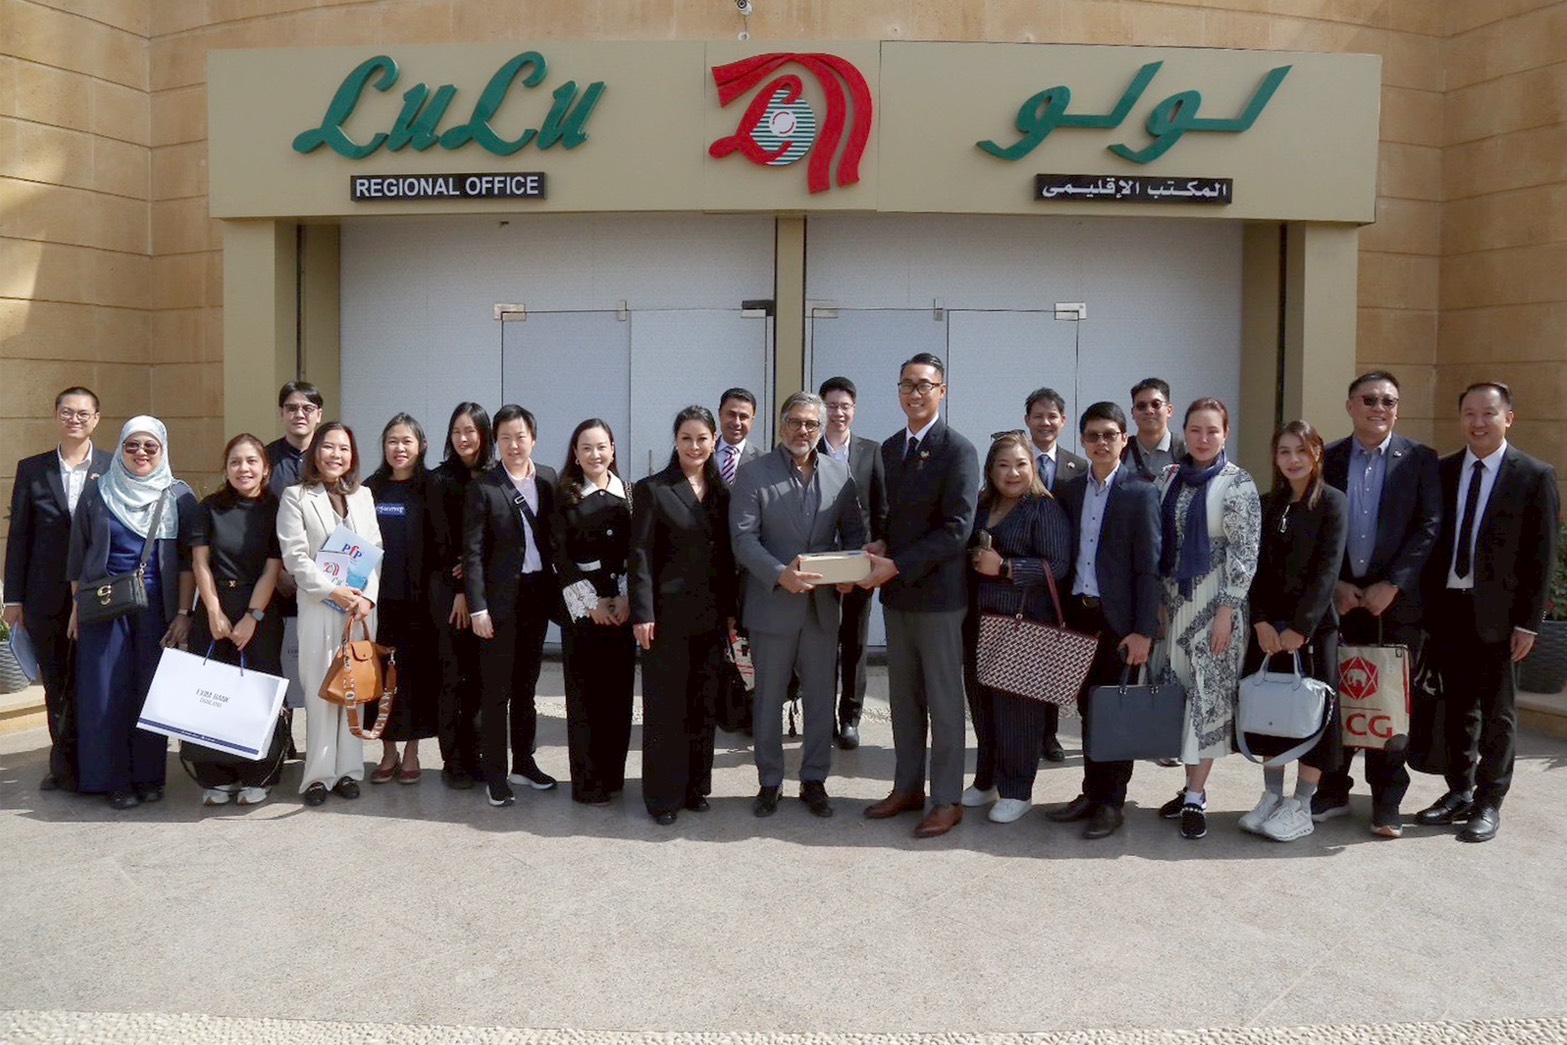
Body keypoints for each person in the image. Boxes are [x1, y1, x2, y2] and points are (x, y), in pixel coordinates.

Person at [1415, 382, 1558, 843]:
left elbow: (1542, 558)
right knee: (1456, 709)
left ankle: (1489, 801)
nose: (1478, 422)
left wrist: (1528, 624)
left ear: (1508, 418)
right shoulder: (1442, 471)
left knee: (1498, 714)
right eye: (1469, 413)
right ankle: (1459, 790)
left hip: (1501, 617)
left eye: (1488, 413)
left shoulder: (1533, 476)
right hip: (1449, 609)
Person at [1316, 372, 1441, 837]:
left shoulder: (1420, 459)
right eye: (1369, 399)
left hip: (1395, 605)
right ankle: (1332, 788)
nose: (1379, 408)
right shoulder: (1327, 458)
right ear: (1350, 406)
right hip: (1341, 601)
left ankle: (1387, 799)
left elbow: (1429, 526)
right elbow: (1316, 527)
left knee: (1390, 701)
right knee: (1337, 693)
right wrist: (1335, 584)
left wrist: (1395, 584)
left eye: (1389, 400)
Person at [861, 353, 980, 839]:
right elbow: (888, 517)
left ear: (941, 391)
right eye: (907, 384)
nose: (915, 393)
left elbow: (957, 529)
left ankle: (947, 799)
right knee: (904, 701)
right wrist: (879, 545)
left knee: (944, 704)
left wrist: (899, 563)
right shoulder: (891, 449)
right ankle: (907, 787)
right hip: (897, 597)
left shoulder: (958, 450)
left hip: (939, 599)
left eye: (924, 385)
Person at [731, 392, 866, 819]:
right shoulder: (754, 473)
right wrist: (778, 574)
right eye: (794, 421)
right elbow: (743, 539)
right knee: (768, 699)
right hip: (773, 605)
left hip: (823, 609)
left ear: (821, 428)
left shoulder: (839, 472)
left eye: (811, 424)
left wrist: (850, 572)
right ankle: (769, 781)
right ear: (781, 424)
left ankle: (814, 780)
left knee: (821, 699)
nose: (802, 430)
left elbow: (854, 533)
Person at [66, 416, 197, 808]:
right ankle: (114, 780)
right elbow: (77, 555)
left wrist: (183, 612)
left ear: (163, 450)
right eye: (132, 445)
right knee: (107, 692)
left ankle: (149, 776)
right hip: (105, 606)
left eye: (150, 446)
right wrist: (76, 607)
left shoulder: (179, 495)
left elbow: (189, 562)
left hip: (157, 610)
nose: (141, 453)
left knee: (150, 692)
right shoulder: (97, 491)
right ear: (121, 448)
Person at [1045, 403, 1162, 839]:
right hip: (1079, 615)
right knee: (1087, 707)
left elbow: (1149, 568)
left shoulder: (1141, 492)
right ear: (1082, 441)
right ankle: (1091, 793)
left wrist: (1143, 631)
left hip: (1120, 623)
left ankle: (1112, 802)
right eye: (1093, 436)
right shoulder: (1070, 490)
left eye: (1109, 435)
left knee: (1116, 712)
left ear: (1123, 439)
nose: (1101, 443)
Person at [1153, 397, 1261, 840]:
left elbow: (1245, 553)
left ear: (1225, 434)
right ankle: (1187, 786)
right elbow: (1157, 542)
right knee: (1180, 698)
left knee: (1207, 699)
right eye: (1195, 430)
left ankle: (1196, 796)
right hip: (1172, 607)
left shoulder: (1238, 483)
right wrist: (1156, 601)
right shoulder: (1168, 477)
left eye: (1212, 430)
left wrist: (1226, 612)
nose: (1203, 438)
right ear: (1184, 431)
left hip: (1216, 610)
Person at [1237, 421, 1349, 843]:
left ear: (1317, 452)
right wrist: (1261, 621)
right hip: (1269, 630)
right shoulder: (1268, 504)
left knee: (1309, 714)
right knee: (1270, 712)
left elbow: (1327, 571)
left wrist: (1301, 628)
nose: (1293, 459)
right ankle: (1271, 796)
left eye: (1301, 450)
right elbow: (1253, 568)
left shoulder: (1332, 502)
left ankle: (1301, 804)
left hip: (1313, 631)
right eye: (1284, 451)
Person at [630, 406, 737, 825]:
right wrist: (642, 612)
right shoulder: (653, 489)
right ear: (675, 441)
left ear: (714, 442)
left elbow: (727, 558)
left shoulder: (722, 492)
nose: (694, 446)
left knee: (702, 703)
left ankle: (695, 788)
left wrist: (732, 612)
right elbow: (640, 555)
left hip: (709, 616)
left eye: (702, 439)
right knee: (666, 707)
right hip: (665, 618)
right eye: (686, 438)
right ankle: (662, 797)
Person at [959, 432, 1072, 825]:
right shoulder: (981, 504)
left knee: (1019, 714)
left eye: (1021, 464)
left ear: (1033, 468)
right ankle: (987, 780)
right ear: (991, 470)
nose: (1012, 473)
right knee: (982, 706)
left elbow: (1057, 566)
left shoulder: (1043, 508)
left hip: (1022, 625)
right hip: (978, 622)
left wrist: (1006, 567)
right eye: (1003, 465)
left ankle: (1017, 791)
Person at [4, 386, 111, 791]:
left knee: (92, 680)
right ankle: (63, 765)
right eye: (67, 412)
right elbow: (19, 537)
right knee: (54, 681)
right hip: (44, 595)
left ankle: (95, 762)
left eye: (83, 413)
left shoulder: (112, 466)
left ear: (96, 419)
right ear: (56, 416)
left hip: (97, 593)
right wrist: (13, 599)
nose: (75, 420)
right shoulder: (32, 469)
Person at [275, 422, 383, 808]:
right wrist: (331, 590)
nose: (336, 455)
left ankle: (349, 771)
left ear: (352, 456)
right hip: (319, 606)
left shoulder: (363, 496)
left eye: (344, 448)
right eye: (329, 447)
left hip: (358, 611)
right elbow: (295, 557)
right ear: (315, 452)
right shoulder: (296, 496)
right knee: (322, 691)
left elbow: (374, 550)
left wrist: (367, 598)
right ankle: (318, 776)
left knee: (354, 690)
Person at [463, 404, 560, 808]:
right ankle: (495, 774)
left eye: (520, 436)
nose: (514, 445)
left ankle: (524, 763)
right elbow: (472, 552)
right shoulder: (484, 486)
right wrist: (478, 608)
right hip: (500, 602)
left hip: (537, 596)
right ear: (496, 442)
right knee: (496, 690)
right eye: (505, 438)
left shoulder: (549, 479)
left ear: (533, 438)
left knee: (526, 687)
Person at [186, 433, 286, 806]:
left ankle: (258, 774)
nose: (243, 468)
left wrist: (252, 617)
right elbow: (200, 562)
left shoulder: (276, 508)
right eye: (235, 462)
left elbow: (272, 568)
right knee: (212, 694)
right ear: (226, 468)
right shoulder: (208, 507)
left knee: (257, 694)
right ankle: (216, 775)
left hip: (259, 609)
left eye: (251, 461)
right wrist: (213, 610)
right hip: (213, 606)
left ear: (265, 469)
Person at [552, 418, 635, 806]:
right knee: (585, 698)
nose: (595, 454)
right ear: (575, 453)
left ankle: (613, 777)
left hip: (622, 609)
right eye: (586, 448)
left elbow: (638, 551)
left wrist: (625, 598)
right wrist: (591, 603)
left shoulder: (629, 493)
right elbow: (559, 555)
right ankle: (588, 783)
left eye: (602, 446)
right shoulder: (564, 496)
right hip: (583, 610)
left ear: (613, 449)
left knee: (618, 697)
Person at [364, 413, 440, 786]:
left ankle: (411, 751)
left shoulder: (433, 487)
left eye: (407, 441)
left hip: (422, 604)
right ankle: (388, 750)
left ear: (421, 446)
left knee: (415, 679)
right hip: (379, 602)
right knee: (380, 679)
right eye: (392, 441)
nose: (399, 448)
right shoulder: (369, 489)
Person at [817, 376, 887, 750]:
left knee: (855, 641)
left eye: (845, 406)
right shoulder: (809, 448)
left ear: (854, 410)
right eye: (831, 406)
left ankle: (850, 718)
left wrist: (878, 548)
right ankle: (822, 715)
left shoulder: (872, 451)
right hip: (820, 561)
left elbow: (881, 507)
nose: (838, 413)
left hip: (861, 558)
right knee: (823, 641)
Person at [428, 402, 491, 790]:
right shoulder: (440, 480)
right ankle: (454, 761)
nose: (463, 438)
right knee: (453, 676)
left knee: (482, 679)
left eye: (470, 430)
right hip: (450, 595)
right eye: (456, 431)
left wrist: (475, 577)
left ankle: (478, 755)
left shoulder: (495, 477)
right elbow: (439, 542)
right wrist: (460, 590)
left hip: (485, 592)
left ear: (484, 434)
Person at [1023, 386, 1086, 762]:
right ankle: (1021, 732)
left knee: (1053, 662)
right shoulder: (1014, 460)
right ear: (1027, 420)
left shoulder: (1079, 468)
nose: (1045, 422)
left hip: (1062, 581)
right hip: (1021, 578)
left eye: (1052, 416)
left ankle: (1049, 734)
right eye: (1038, 416)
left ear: (1063, 421)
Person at [266, 382, 325, 495]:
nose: (299, 415)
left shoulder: (329, 456)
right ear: (281, 413)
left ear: (319, 415)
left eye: (307, 408)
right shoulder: (266, 458)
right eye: (292, 408)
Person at [1124, 378, 1186, 482]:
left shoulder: (1185, 450)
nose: (1149, 411)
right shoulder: (1121, 452)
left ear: (1169, 410)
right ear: (1132, 413)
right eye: (1141, 406)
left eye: (1156, 404)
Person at [715, 387, 762, 487]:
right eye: (731, 414)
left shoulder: (762, 461)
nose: (736, 422)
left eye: (743, 417)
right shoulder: (702, 454)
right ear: (720, 414)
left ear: (752, 420)